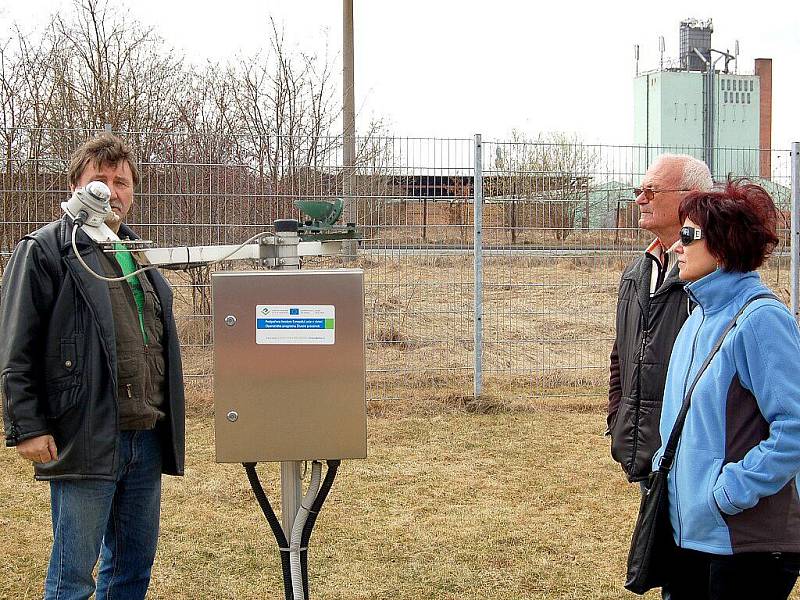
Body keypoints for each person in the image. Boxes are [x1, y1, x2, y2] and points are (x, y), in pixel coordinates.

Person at [0, 133, 185, 600]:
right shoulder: (45, 249)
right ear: (76, 186)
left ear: (133, 192)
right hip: (85, 432)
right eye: (99, 180)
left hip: (144, 437)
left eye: (121, 182)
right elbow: (15, 346)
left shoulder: (133, 252)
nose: (111, 191)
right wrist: (26, 426)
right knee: (73, 577)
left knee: (130, 569)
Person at [653, 179, 800, 599]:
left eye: (687, 235)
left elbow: (794, 426)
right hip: (691, 535)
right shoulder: (697, 316)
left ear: (723, 244)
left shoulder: (761, 319)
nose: (676, 246)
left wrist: (730, 492)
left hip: (744, 544)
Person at [607, 154, 713, 483]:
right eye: (640, 190)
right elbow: (621, 354)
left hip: (694, 461)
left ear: (690, 197)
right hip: (644, 453)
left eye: (652, 191)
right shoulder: (637, 271)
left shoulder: (712, 274)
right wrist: (618, 420)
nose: (640, 199)